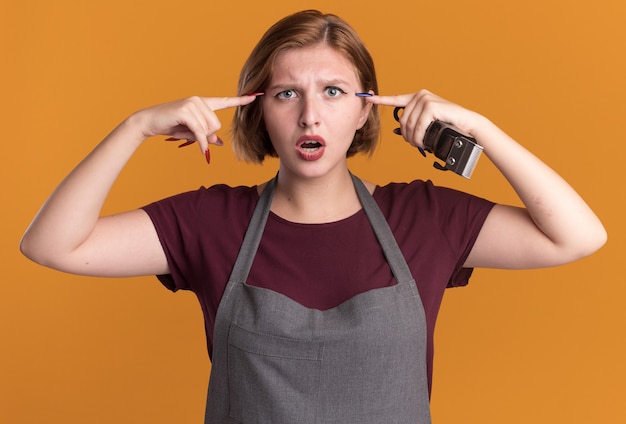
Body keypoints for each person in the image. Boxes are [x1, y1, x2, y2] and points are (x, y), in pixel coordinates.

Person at [20, 9, 606, 424]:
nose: (309, 116)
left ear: (367, 109)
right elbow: (51, 245)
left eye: (333, 91)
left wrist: (478, 129)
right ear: (257, 111)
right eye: (285, 94)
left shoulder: (424, 218)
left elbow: (578, 235)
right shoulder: (209, 221)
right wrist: (134, 127)